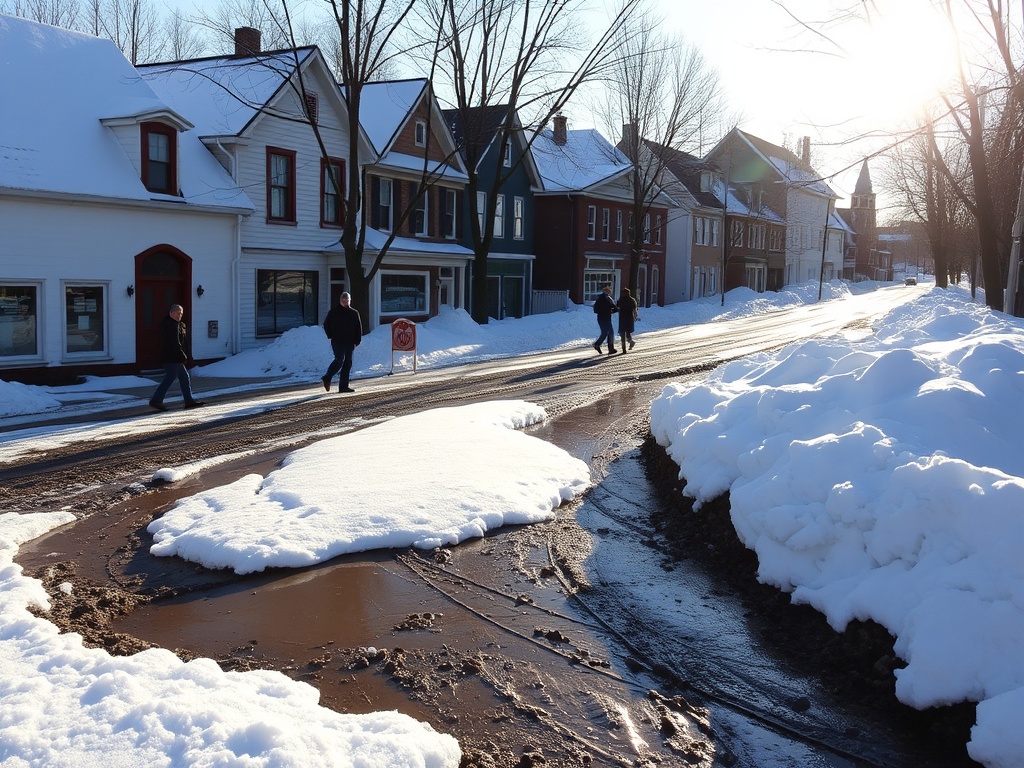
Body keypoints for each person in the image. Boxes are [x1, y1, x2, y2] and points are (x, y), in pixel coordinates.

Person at [149, 304, 205, 411]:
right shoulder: (169, 324)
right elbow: (174, 342)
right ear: (171, 313)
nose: (180, 315)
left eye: (181, 313)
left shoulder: (179, 325)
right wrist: (181, 354)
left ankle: (188, 401)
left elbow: (183, 341)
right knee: (170, 378)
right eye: (178, 313)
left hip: (176, 357)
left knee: (184, 377)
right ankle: (156, 400)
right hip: (171, 357)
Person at [321, 291, 363, 393]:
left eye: (347, 300)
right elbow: (326, 324)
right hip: (338, 341)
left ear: (350, 300)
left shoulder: (354, 313)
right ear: (340, 300)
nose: (346, 302)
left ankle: (343, 386)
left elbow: (358, 328)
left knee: (348, 363)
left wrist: (357, 341)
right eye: (344, 300)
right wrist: (330, 336)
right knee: (339, 360)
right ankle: (327, 377)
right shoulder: (334, 312)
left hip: (350, 341)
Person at [592, 283, 618, 355]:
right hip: (606, 318)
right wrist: (611, 311)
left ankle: (597, 344)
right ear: (606, 290)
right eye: (609, 289)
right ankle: (611, 348)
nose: (610, 290)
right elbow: (614, 308)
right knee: (610, 332)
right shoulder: (608, 299)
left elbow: (595, 310)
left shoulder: (599, 299)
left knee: (604, 333)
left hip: (600, 318)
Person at [617, 287, 638, 352]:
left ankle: (624, 348)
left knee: (622, 333)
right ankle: (631, 342)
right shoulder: (632, 300)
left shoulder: (621, 300)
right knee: (628, 332)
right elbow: (635, 309)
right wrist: (635, 316)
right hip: (629, 318)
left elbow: (617, 307)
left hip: (622, 318)